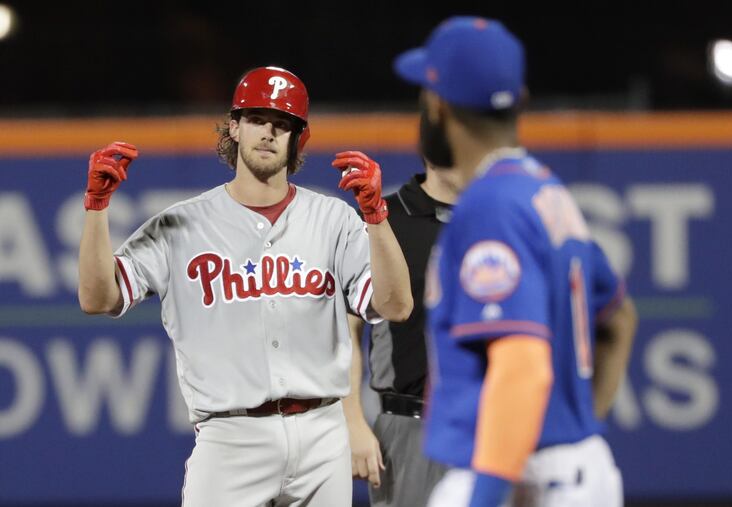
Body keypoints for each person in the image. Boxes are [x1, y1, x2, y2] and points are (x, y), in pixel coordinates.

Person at [77, 65, 412, 507]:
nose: (268, 133)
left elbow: (396, 306)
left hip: (321, 431)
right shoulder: (182, 223)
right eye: (257, 119)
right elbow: (98, 298)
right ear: (233, 127)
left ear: (298, 140)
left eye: (282, 124)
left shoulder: (333, 219)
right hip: (230, 438)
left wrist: (376, 219)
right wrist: (97, 208)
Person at [393, 17, 638, 507]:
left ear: (438, 107)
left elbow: (522, 366)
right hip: (566, 468)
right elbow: (619, 318)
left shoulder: (491, 206)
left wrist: (489, 492)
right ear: (520, 101)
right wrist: (575, 430)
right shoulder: (543, 190)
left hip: (519, 480)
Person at [343, 159, 460, 507]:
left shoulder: (495, 217)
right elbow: (347, 328)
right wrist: (352, 421)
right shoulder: (384, 217)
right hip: (409, 425)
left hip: (490, 423)